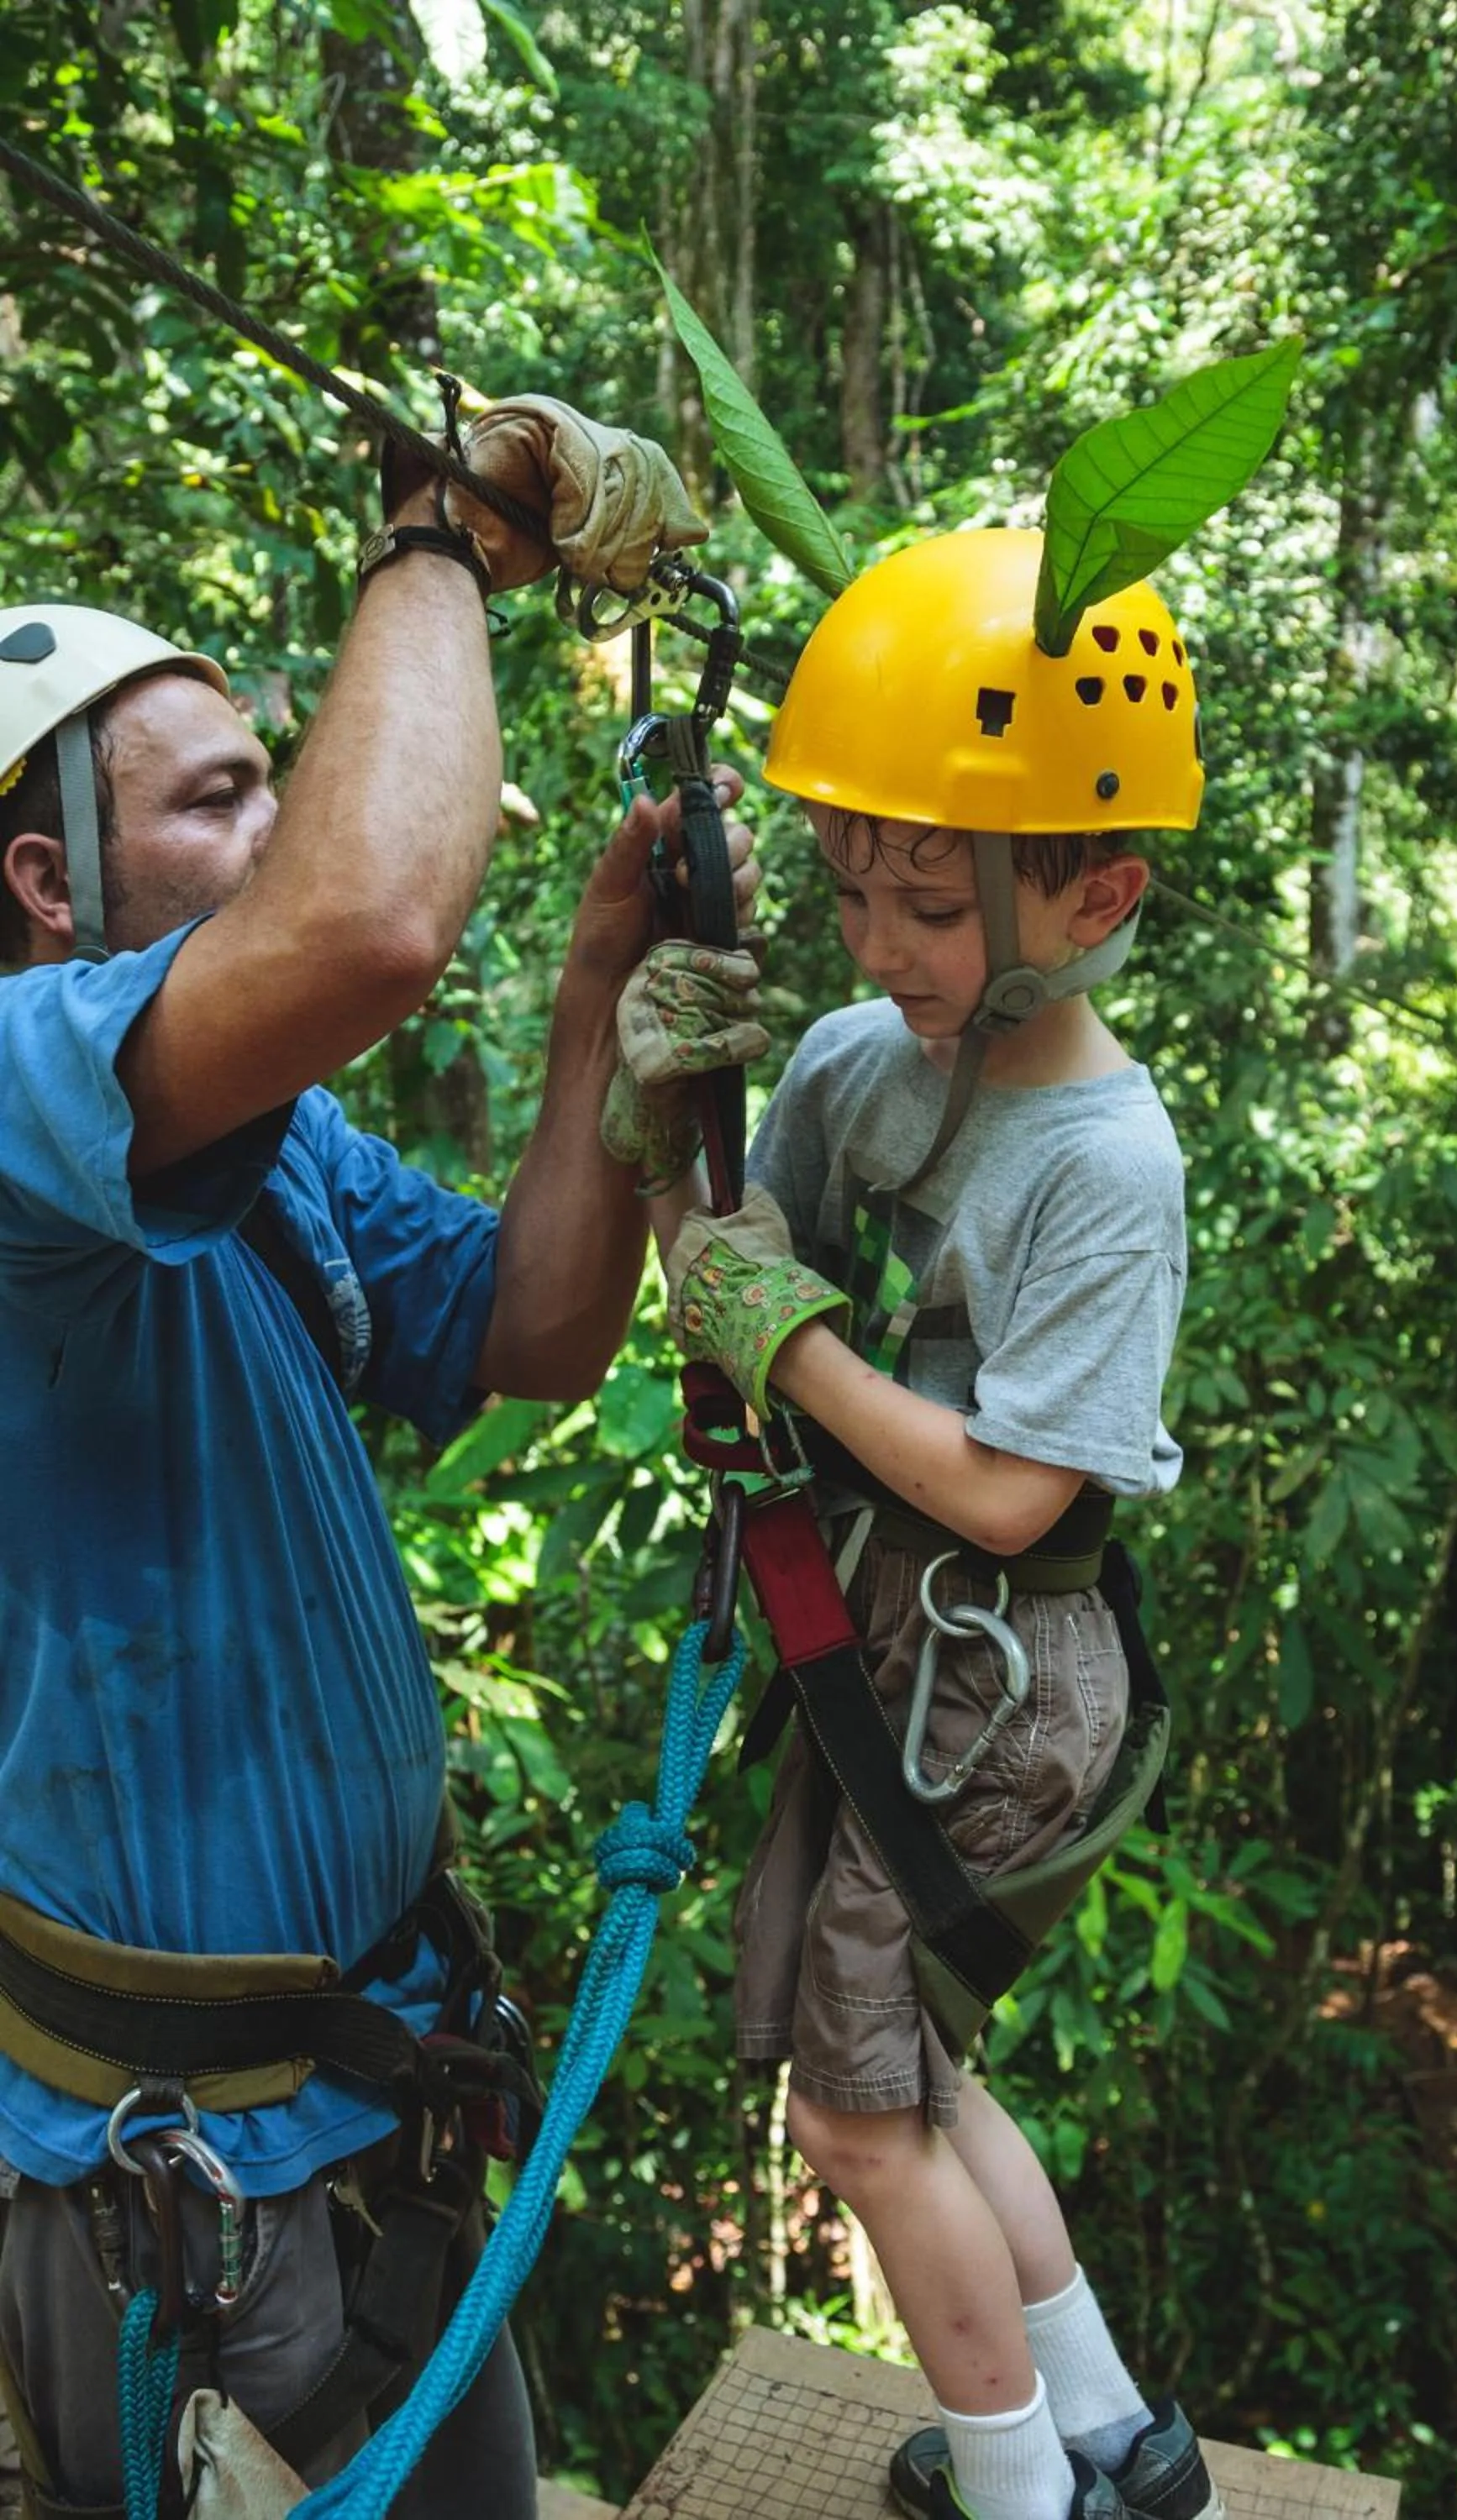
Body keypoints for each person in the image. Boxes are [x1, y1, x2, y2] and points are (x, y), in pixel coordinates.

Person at [0, 396, 760, 2515]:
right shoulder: (3, 1103)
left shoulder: (272, 1145)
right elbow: (367, 927)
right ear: (45, 880)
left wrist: (603, 982)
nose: (281, 827)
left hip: (376, 2097)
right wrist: (434, 533)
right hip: (173, 2172)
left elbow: (529, 1326)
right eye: (227, 796)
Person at [660, 528, 1225, 2520]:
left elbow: (1007, 1484)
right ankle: (1105, 2443)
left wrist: (786, 1341)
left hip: (1000, 1668)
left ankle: (1013, 2494)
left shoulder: (1107, 1160)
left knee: (856, 2113)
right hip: (881, 1639)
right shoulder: (853, 1062)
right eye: (845, 894)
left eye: (925, 902)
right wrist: (680, 1111)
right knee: (917, 2073)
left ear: (1096, 891)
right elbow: (735, 1279)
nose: (876, 944)